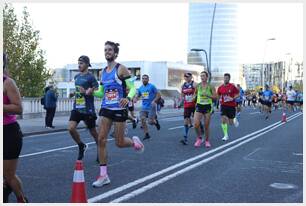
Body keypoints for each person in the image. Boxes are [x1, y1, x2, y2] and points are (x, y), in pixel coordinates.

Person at [92, 41, 144, 188]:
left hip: (119, 109)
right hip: (106, 108)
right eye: (105, 50)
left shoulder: (121, 69)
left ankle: (134, 142)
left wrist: (127, 98)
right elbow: (101, 92)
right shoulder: (102, 72)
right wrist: (91, 92)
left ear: (115, 53)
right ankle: (103, 175)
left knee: (119, 143)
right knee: (101, 139)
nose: (107, 52)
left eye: (110, 50)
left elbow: (133, 88)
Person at [3, 53, 28, 203]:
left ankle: (22, 200)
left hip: (8, 133)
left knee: (8, 175)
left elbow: (19, 108)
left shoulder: (7, 82)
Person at [68, 55, 99, 161]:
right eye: (78, 63)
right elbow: (78, 90)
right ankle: (81, 145)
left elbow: (97, 89)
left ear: (86, 64)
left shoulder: (91, 77)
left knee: (93, 132)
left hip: (88, 109)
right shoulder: (76, 77)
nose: (79, 65)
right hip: (77, 107)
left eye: (81, 63)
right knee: (71, 128)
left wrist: (87, 91)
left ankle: (100, 150)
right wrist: (73, 93)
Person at [193, 71, 217, 148]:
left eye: (203, 76)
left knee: (206, 125)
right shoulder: (198, 86)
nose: (202, 77)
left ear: (207, 77)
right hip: (199, 105)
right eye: (201, 76)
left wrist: (208, 95)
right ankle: (199, 138)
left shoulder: (211, 86)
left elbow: (215, 97)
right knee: (196, 124)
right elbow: (195, 94)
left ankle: (207, 140)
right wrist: (193, 98)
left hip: (207, 106)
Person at [136, 74, 161, 140]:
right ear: (142, 80)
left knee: (150, 122)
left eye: (145, 78)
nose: (144, 80)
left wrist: (154, 101)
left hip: (151, 107)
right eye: (143, 78)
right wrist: (135, 99)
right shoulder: (140, 88)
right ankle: (147, 134)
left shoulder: (152, 86)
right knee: (142, 119)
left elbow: (158, 95)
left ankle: (156, 122)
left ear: (148, 79)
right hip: (144, 107)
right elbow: (138, 95)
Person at [217, 73, 240, 141]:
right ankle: (225, 135)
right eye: (224, 78)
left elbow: (238, 94)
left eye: (227, 78)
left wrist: (233, 98)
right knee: (223, 119)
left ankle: (234, 119)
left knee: (231, 123)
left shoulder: (232, 86)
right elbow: (218, 95)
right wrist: (218, 102)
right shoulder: (220, 87)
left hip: (231, 106)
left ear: (229, 79)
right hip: (223, 105)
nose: (225, 79)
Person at [179, 72, 197, 145]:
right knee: (186, 120)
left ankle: (200, 130)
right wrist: (180, 103)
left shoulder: (194, 84)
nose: (186, 78)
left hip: (195, 105)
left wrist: (194, 98)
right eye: (185, 77)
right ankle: (185, 138)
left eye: (188, 76)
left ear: (191, 77)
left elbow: (198, 93)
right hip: (187, 106)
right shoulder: (183, 85)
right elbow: (182, 96)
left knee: (196, 122)